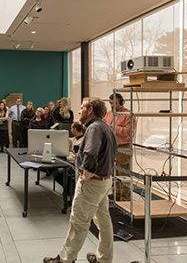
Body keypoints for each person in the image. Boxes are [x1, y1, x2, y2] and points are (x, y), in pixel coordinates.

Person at [44, 97, 116, 263]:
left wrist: (87, 171)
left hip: (93, 184)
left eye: (82, 107)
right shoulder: (105, 127)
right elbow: (113, 152)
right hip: (105, 182)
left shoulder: (93, 129)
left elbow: (91, 153)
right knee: (103, 221)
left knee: (79, 221)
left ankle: (65, 259)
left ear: (90, 110)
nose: (79, 111)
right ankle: (104, 258)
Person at [103, 93, 136, 201]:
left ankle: (125, 198)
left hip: (123, 146)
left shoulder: (128, 114)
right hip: (111, 146)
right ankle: (117, 193)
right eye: (110, 103)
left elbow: (128, 132)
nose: (112, 106)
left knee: (124, 172)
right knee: (114, 171)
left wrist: (112, 127)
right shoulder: (109, 114)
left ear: (121, 103)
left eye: (114, 103)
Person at [53, 122, 85, 200]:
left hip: (74, 164)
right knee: (53, 168)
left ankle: (68, 188)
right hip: (69, 160)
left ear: (74, 129)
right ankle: (68, 187)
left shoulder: (82, 141)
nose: (70, 130)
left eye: (71, 128)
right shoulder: (75, 138)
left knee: (59, 172)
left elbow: (76, 156)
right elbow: (69, 139)